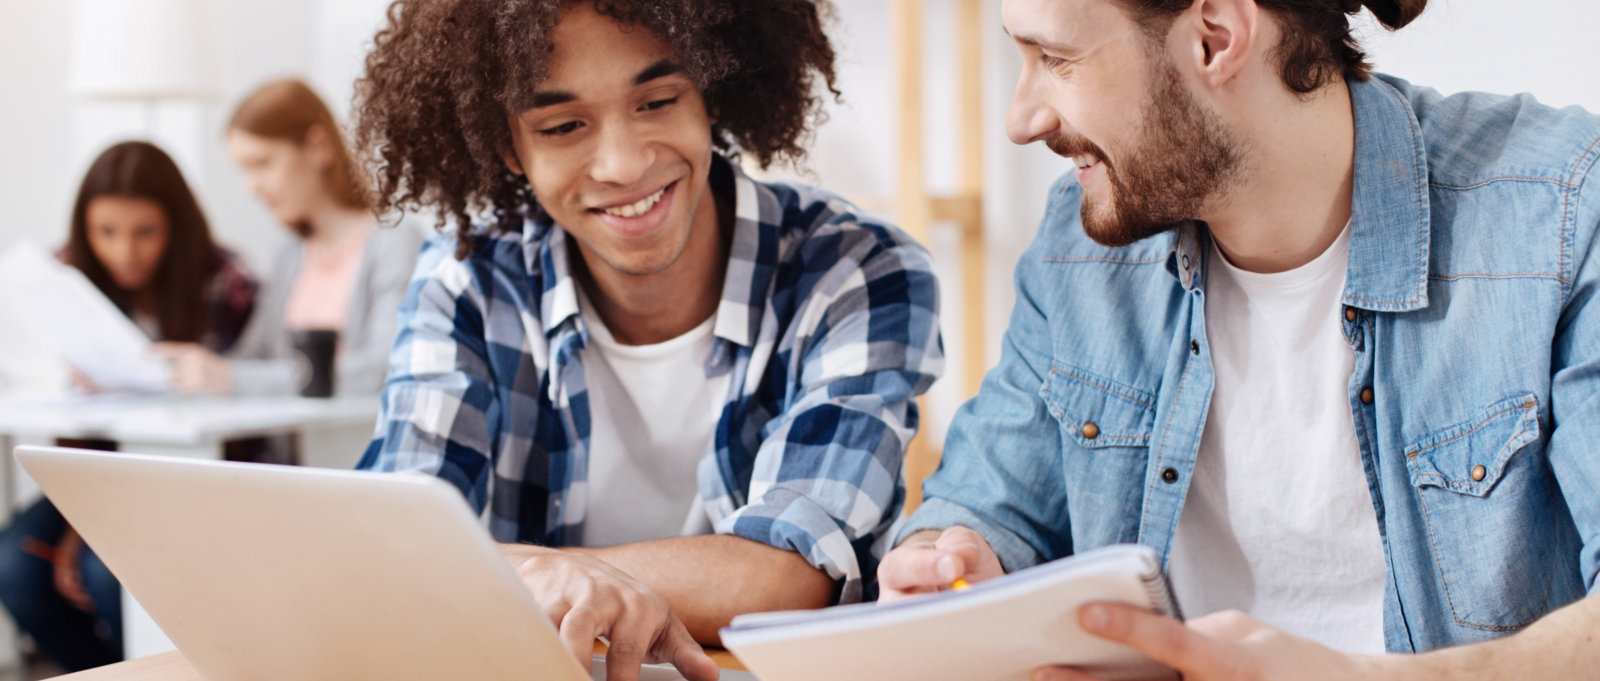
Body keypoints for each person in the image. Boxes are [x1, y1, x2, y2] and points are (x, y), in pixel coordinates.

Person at [876, 0, 1600, 679]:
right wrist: (944, 561)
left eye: (1055, 59)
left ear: (1214, 37)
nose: (1021, 118)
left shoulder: (1559, 210)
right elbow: (988, 506)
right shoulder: (1083, 242)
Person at [351, 1, 942, 679]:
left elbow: (789, 577)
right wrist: (515, 576)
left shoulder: (855, 270)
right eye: (564, 125)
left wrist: (523, 574)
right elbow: (390, 544)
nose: (623, 165)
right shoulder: (470, 279)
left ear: (710, 95)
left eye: (657, 100)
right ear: (510, 147)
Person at [0, 141, 258, 673]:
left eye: (145, 232)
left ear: (176, 226)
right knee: (14, 564)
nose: (125, 253)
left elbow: (250, 405)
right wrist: (79, 522)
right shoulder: (62, 280)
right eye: (106, 232)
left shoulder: (228, 284)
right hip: (91, 475)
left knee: (106, 571)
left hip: (191, 480)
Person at [155, 78, 423, 399]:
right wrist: (178, 371)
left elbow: (380, 370)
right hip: (288, 448)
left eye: (262, 164)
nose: (250, 187)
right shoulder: (289, 252)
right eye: (244, 169)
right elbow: (251, 358)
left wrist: (233, 379)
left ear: (317, 147)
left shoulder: (393, 242)